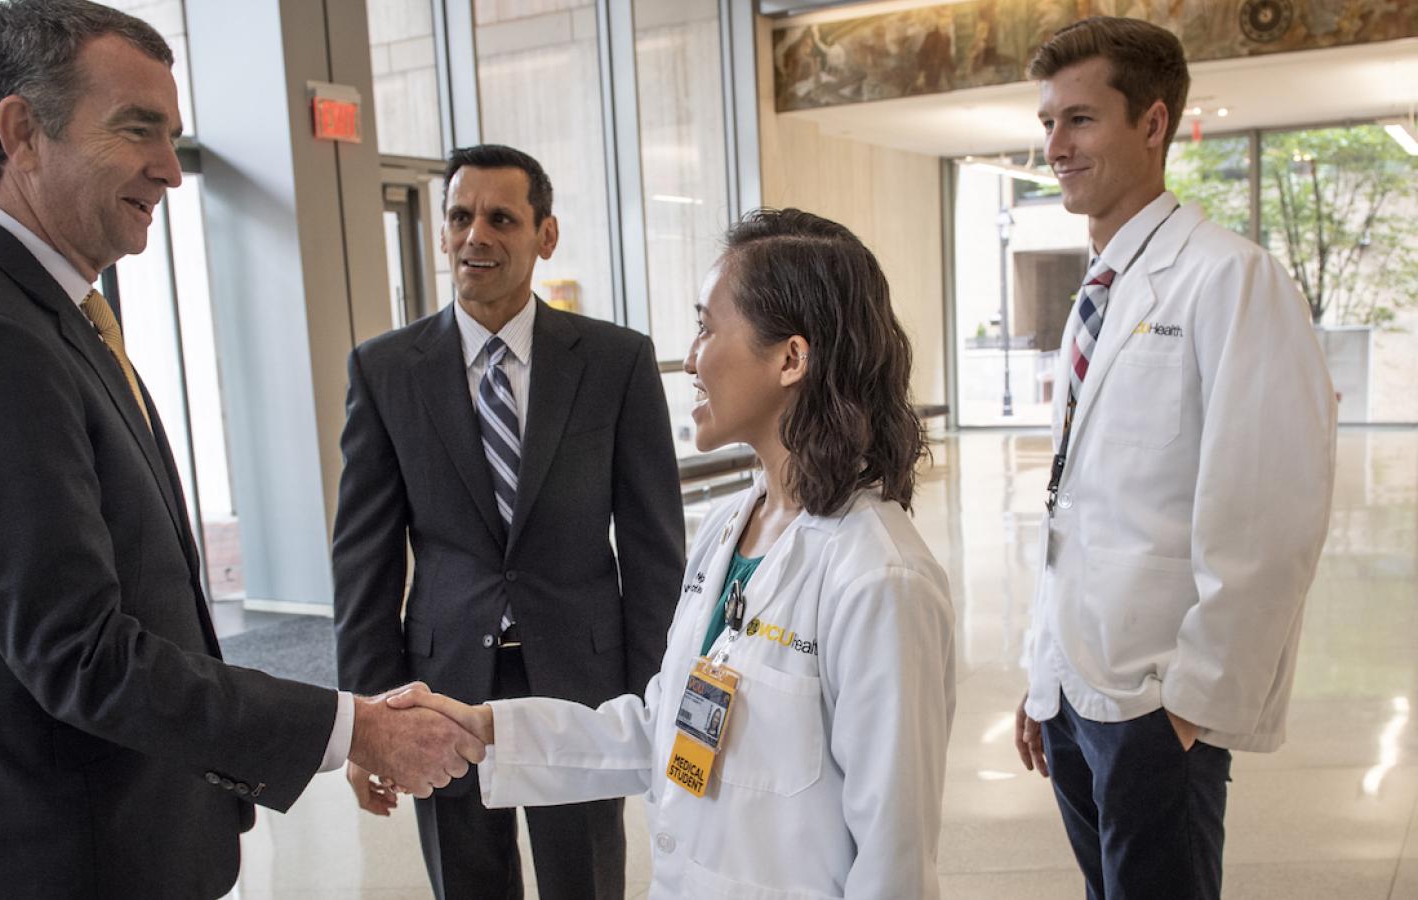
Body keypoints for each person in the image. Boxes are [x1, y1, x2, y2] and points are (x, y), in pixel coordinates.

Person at [0, 3, 481, 897]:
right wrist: (355, 727)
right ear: (22, 132)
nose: (168, 171)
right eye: (136, 130)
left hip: (116, 839)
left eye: (173, 135)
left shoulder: (39, 313)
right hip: (59, 858)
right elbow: (80, 653)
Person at [388, 208, 957, 899]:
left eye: (707, 327)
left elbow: (894, 860)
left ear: (790, 358)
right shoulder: (727, 530)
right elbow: (664, 729)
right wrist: (487, 729)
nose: (690, 357)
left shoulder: (878, 578)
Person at [1011, 16, 1337, 900]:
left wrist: (1193, 705)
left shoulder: (1229, 279)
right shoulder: (1103, 289)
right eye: (1048, 123)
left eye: (1080, 120)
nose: (1055, 145)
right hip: (1076, 688)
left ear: (1152, 124)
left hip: (1158, 697)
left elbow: (1271, 510)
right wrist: (1041, 672)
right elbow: (1075, 498)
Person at [330, 143, 685, 899]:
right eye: (460, 217)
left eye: (500, 218)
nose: (475, 236)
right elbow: (364, 560)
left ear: (544, 235)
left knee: (582, 881)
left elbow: (655, 548)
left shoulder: (616, 363)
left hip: (582, 679)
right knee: (468, 882)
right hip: (443, 675)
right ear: (442, 232)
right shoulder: (385, 370)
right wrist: (370, 721)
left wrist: (660, 699)